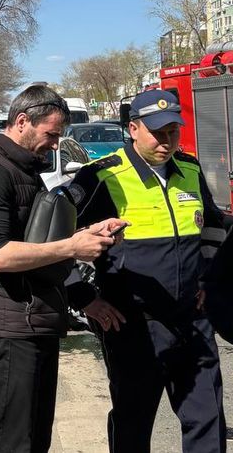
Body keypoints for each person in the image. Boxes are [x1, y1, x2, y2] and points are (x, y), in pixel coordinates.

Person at [0, 85, 124, 453]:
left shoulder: (22, 170)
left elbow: (36, 243)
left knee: (35, 441)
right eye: (51, 134)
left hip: (36, 322)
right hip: (14, 327)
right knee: (12, 443)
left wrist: (86, 233)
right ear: (22, 121)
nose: (55, 145)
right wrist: (72, 247)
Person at [66, 89, 228, 453]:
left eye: (173, 131)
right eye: (158, 132)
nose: (167, 141)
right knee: (133, 422)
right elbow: (52, 239)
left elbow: (213, 229)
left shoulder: (190, 169)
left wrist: (208, 279)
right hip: (133, 325)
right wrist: (83, 297)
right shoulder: (101, 176)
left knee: (207, 419)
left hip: (192, 320)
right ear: (133, 129)